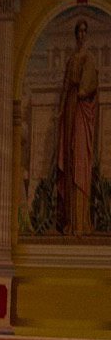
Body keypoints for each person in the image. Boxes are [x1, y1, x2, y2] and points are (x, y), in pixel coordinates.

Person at [57, 17, 99, 235]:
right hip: (71, 108)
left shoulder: (89, 59)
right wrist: (62, 109)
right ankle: (71, 222)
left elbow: (88, 87)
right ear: (75, 35)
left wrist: (79, 92)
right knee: (71, 158)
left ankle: (81, 223)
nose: (81, 35)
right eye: (79, 31)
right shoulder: (72, 59)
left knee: (81, 161)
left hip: (82, 109)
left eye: (84, 31)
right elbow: (66, 86)